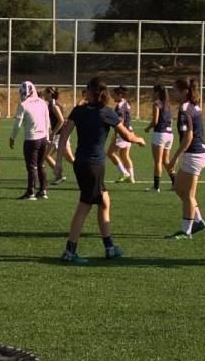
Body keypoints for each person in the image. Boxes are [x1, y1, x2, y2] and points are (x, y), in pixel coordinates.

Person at [56, 77, 146, 263]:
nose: (84, 92)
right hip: (94, 166)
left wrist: (59, 162)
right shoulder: (106, 113)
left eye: (86, 89)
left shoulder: (79, 111)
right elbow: (127, 136)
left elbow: (63, 135)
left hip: (80, 163)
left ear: (91, 92)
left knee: (104, 201)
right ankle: (70, 251)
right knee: (84, 206)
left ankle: (109, 247)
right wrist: (139, 140)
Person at [165, 78, 205, 239]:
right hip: (195, 154)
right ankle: (197, 220)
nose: (173, 93)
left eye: (175, 90)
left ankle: (186, 231)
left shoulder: (184, 108)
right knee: (178, 188)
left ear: (185, 91)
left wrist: (174, 158)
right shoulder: (194, 106)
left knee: (189, 194)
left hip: (194, 155)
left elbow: (188, 136)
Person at [8, 80, 51, 200]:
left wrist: (12, 137)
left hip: (31, 139)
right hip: (43, 138)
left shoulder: (24, 105)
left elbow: (17, 124)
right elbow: (47, 120)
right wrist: (47, 136)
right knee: (41, 165)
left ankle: (31, 192)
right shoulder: (42, 102)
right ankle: (43, 190)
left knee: (31, 167)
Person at [147, 83, 174, 193]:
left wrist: (148, 128)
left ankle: (156, 187)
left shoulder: (157, 103)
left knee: (158, 161)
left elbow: (155, 121)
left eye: (154, 91)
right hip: (169, 134)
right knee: (166, 160)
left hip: (160, 134)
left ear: (157, 92)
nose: (152, 93)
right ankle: (175, 182)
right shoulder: (168, 105)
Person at [108, 86, 136, 184]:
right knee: (125, 155)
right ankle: (131, 178)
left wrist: (116, 134)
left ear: (120, 95)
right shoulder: (126, 103)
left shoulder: (120, 106)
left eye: (114, 95)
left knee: (110, 153)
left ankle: (124, 173)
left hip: (123, 133)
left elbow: (120, 121)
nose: (112, 97)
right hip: (130, 131)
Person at [44, 87, 72, 184]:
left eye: (45, 92)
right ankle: (84, 172)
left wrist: (53, 132)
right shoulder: (51, 104)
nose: (44, 94)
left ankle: (59, 175)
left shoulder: (54, 105)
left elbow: (61, 120)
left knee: (46, 155)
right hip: (62, 134)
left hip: (59, 135)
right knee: (70, 158)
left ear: (50, 94)